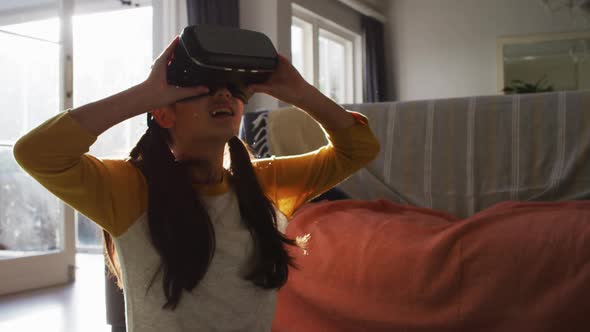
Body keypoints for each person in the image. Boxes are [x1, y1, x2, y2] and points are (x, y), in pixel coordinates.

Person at [13, 36, 380, 331]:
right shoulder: (130, 189)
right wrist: (143, 95)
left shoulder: (265, 184)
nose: (224, 95)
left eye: (234, 90)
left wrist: (301, 93)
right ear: (164, 111)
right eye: (204, 88)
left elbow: (359, 149)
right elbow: (36, 152)